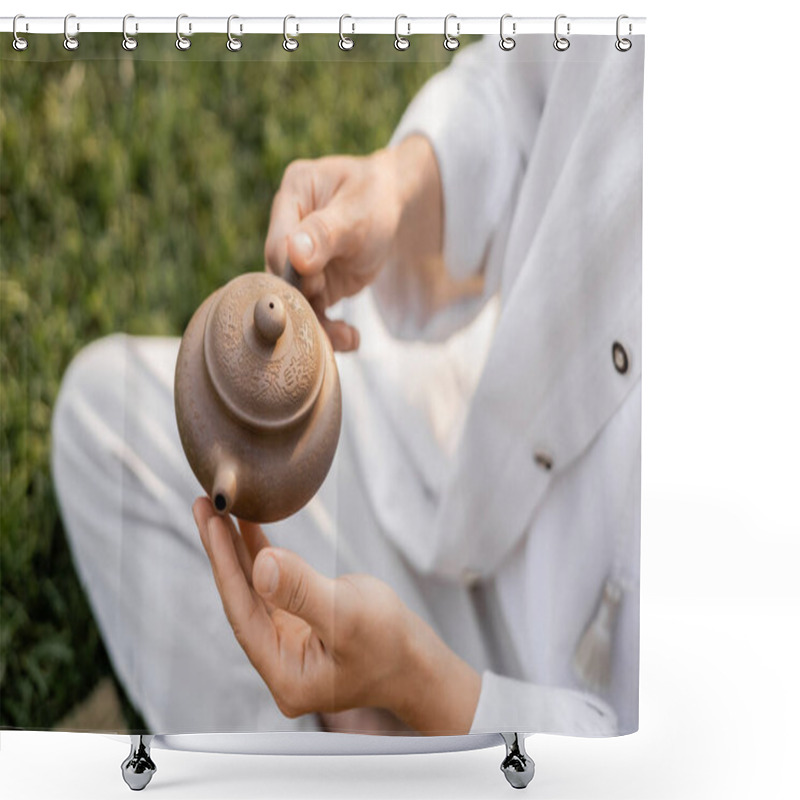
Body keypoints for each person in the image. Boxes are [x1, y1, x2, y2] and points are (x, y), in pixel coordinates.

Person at [52, 34, 642, 738]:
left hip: (546, 728)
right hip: (466, 465)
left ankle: (347, 752)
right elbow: (526, 93)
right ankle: (344, 743)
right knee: (104, 417)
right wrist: (400, 185)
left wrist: (427, 693)